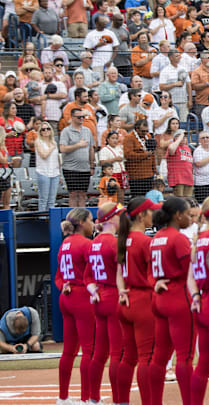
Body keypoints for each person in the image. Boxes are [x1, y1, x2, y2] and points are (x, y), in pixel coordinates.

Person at [148, 197, 194, 405]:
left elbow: (150, 272)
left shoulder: (157, 236)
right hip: (179, 296)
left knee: (159, 356)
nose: (190, 218)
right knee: (185, 356)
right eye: (187, 213)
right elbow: (191, 273)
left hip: (160, 297)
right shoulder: (178, 238)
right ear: (177, 215)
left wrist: (156, 283)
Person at [115, 197, 160, 405]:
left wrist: (122, 290)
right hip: (143, 300)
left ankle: (121, 401)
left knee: (129, 357)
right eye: (151, 211)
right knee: (147, 357)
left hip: (126, 299)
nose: (154, 215)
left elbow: (118, 272)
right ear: (142, 215)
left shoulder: (124, 238)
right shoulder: (145, 241)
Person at [185, 196, 209, 405]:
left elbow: (189, 278)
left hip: (202, 301)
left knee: (204, 363)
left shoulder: (198, 238)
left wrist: (195, 296)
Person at [85, 202, 124, 405]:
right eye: (118, 215)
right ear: (111, 218)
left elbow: (87, 277)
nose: (121, 218)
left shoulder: (94, 242)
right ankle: (118, 400)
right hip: (113, 295)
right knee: (117, 352)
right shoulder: (113, 243)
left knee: (99, 353)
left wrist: (93, 290)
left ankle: (94, 399)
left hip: (99, 297)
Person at [55, 208, 95, 404]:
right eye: (90, 220)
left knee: (68, 351)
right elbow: (95, 273)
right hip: (82, 296)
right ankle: (86, 398)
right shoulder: (86, 244)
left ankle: (63, 397)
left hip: (67, 296)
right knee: (89, 350)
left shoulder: (65, 244)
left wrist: (64, 286)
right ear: (81, 223)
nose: (93, 224)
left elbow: (58, 277)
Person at [60, 108, 95, 207]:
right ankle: (73, 217)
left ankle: (82, 217)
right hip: (70, 168)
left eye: (83, 117)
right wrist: (78, 145)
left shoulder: (87, 131)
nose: (81, 119)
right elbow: (62, 148)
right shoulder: (66, 131)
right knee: (73, 194)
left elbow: (91, 148)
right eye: (79, 117)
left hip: (85, 168)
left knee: (83, 194)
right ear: (72, 117)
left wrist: (92, 165)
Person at [35, 122, 60, 211]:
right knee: (43, 199)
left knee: (52, 200)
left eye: (48, 129)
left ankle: (51, 220)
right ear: (40, 132)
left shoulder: (54, 142)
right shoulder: (38, 142)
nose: (46, 131)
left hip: (55, 173)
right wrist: (51, 148)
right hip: (43, 173)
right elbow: (44, 155)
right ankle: (41, 220)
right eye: (43, 129)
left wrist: (59, 173)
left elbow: (57, 158)